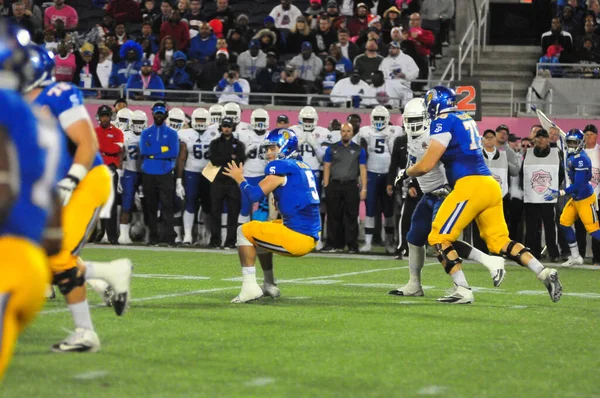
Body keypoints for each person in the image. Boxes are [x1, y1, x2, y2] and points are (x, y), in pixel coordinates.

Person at [407, 86, 562, 303]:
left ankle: (463, 290)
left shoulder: (443, 121)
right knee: (499, 241)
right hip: (489, 185)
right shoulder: (464, 118)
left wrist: (407, 171)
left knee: (438, 237)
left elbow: (427, 164)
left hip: (470, 185)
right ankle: (543, 271)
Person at [25, 45, 133, 352]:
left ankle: (86, 333)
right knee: (45, 254)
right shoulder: (16, 105)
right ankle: (110, 274)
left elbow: (87, 142)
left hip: (85, 180)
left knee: (59, 258)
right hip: (55, 185)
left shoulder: (59, 93)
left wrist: (70, 180)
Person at [390, 99, 506, 301]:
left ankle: (467, 282)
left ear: (427, 117)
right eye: (410, 120)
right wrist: (412, 184)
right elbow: (416, 163)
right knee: (414, 237)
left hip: (445, 193)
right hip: (428, 194)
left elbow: (452, 160)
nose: (413, 124)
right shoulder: (408, 137)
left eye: (418, 119)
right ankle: (414, 284)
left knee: (442, 241)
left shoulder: (437, 133)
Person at [0, 23, 62, 378]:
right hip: (31, 266)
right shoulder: (43, 121)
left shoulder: (6, 109)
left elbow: (4, 186)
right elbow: (53, 233)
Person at [223, 128, 321, 303]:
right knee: (263, 230)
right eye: (267, 148)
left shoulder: (280, 168)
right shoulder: (302, 165)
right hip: (311, 233)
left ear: (284, 147)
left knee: (244, 231)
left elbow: (253, 195)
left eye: (272, 148)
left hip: (298, 238)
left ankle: (249, 288)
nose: (268, 153)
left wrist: (239, 178)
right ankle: (269, 284)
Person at [546, 129, 600, 266]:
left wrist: (560, 192)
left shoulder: (581, 159)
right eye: (569, 142)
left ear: (581, 143)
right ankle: (576, 256)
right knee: (564, 223)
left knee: (594, 231)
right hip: (576, 198)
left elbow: (579, 184)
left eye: (574, 142)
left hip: (585, 198)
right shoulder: (571, 155)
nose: (571, 145)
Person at [355, 106, 402, 253]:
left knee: (388, 210)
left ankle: (389, 242)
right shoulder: (365, 131)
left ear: (387, 119)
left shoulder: (394, 131)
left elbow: (396, 154)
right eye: (377, 118)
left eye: (382, 118)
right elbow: (360, 155)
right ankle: (368, 242)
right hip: (371, 173)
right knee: (370, 208)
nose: (379, 121)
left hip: (388, 174)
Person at [322, 122, 366, 253]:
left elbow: (363, 169)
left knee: (351, 216)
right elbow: (327, 166)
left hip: (351, 185)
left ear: (352, 133)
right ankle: (333, 244)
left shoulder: (359, 150)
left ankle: (352, 245)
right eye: (343, 131)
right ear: (340, 133)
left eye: (348, 131)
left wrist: (364, 188)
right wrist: (326, 185)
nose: (345, 133)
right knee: (333, 216)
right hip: (334, 184)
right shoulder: (332, 148)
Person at [521, 128, 564, 261]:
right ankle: (533, 253)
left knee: (550, 226)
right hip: (532, 197)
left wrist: (553, 189)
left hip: (548, 197)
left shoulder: (555, 154)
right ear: (535, 139)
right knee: (532, 226)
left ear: (547, 139)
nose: (541, 140)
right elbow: (523, 173)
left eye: (543, 137)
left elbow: (560, 174)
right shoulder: (528, 154)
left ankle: (553, 253)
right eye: (538, 137)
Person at [176, 108, 218, 245]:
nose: (200, 122)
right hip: (191, 171)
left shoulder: (215, 132)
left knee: (208, 205)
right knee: (190, 202)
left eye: (202, 120)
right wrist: (179, 179)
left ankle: (207, 234)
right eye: (198, 120)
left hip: (209, 172)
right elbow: (182, 158)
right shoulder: (185, 134)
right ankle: (188, 235)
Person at [140, 102, 180, 246]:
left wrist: (153, 153)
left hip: (165, 173)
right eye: (156, 113)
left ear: (165, 114)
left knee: (167, 206)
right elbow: (144, 151)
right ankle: (153, 237)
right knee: (150, 206)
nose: (158, 116)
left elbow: (174, 152)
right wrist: (162, 150)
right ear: (153, 114)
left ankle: (169, 237)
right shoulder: (146, 133)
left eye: (161, 113)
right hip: (148, 173)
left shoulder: (172, 133)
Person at [208, 117, 246, 248]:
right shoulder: (215, 143)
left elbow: (240, 160)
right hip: (217, 181)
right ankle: (215, 241)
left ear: (233, 127)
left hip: (233, 182)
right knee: (215, 213)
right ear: (221, 127)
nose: (226, 128)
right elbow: (213, 160)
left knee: (233, 213)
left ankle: (231, 241)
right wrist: (230, 157)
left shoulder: (239, 144)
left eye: (229, 126)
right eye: (224, 126)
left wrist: (224, 158)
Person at [95, 105, 124, 245]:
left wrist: (101, 149)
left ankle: (112, 236)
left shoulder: (118, 132)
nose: (105, 118)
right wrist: (106, 151)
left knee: (110, 203)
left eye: (107, 115)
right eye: (102, 116)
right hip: (97, 169)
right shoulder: (94, 131)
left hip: (111, 169)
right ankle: (99, 233)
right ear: (99, 117)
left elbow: (116, 149)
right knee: (97, 203)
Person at [237, 109, 270, 224]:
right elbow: (237, 158)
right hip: (247, 175)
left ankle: (259, 237)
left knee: (263, 209)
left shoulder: (270, 136)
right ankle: (243, 237)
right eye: (257, 120)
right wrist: (245, 152)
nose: (260, 123)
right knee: (244, 208)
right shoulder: (244, 135)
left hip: (264, 176)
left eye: (262, 120)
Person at [119, 110, 147, 245]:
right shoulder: (124, 135)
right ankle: (123, 235)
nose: (138, 125)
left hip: (145, 173)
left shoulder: (148, 135)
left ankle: (148, 234)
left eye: (140, 122)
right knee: (126, 203)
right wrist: (120, 173)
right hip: (129, 171)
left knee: (147, 204)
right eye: (136, 122)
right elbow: (120, 155)